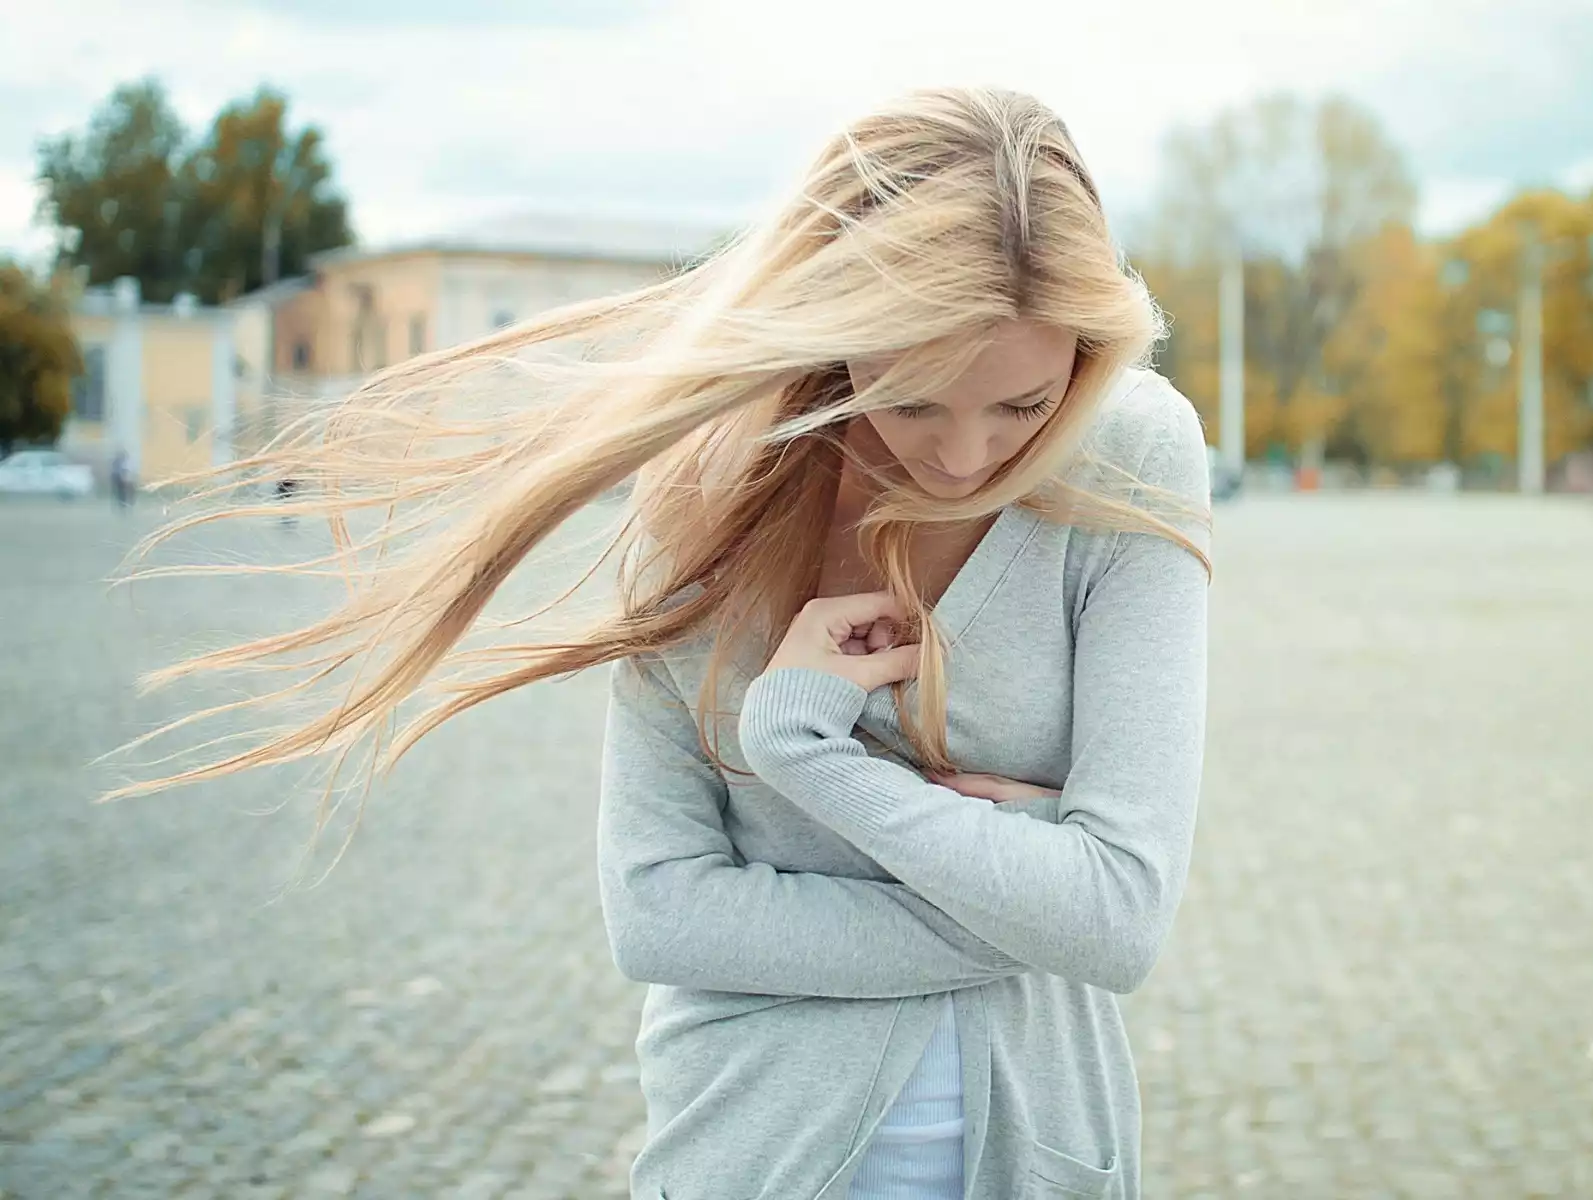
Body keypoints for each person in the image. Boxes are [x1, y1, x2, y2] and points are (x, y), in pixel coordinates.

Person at [121, 86, 1211, 1199]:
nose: (967, 457)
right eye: (913, 398)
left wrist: (811, 760)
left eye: (1024, 407)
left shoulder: (1132, 451)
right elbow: (659, 911)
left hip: (1040, 1152)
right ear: (839, 332)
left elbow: (1118, 921)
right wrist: (1033, 893)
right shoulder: (709, 485)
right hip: (747, 1154)